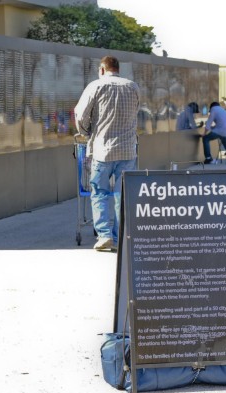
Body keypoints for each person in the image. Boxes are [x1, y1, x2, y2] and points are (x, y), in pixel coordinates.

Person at [74, 56, 140, 251]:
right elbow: (135, 113)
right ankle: (121, 236)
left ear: (102, 69)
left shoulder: (96, 86)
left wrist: (86, 132)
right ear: (118, 69)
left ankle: (104, 236)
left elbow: (81, 115)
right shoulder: (133, 87)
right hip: (128, 150)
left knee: (100, 192)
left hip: (102, 150)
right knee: (122, 194)